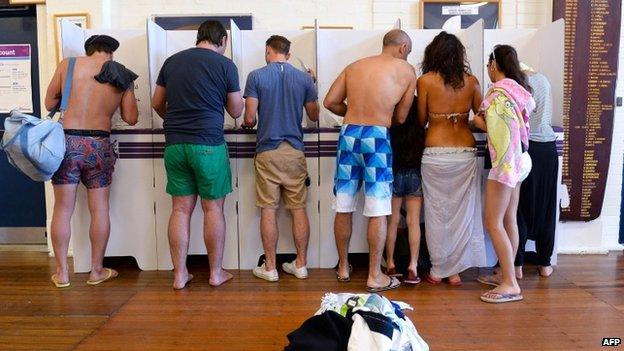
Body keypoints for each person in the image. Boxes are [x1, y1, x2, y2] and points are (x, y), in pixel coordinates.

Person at [151, 20, 244, 289]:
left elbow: (157, 103)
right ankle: (215, 273)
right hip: (208, 144)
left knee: (180, 210)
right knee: (212, 207)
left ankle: (180, 275)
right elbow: (237, 111)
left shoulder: (172, 61)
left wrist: (177, 121)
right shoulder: (225, 66)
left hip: (174, 145)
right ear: (223, 40)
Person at [324, 29, 417, 292]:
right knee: (377, 207)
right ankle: (375, 275)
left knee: (344, 204)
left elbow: (330, 102)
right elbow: (400, 118)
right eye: (407, 51)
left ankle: (343, 267)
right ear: (402, 48)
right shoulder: (406, 70)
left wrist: (352, 111)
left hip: (349, 133)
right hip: (377, 137)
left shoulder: (354, 66)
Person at [45, 34, 139, 288]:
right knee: (100, 209)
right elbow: (131, 118)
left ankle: (63, 273)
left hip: (67, 143)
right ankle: (96, 271)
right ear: (111, 53)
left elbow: (48, 102)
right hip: (99, 144)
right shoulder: (120, 73)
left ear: (89, 51)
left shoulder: (68, 64)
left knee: (62, 209)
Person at [242, 35, 320, 282]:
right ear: (288, 53)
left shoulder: (256, 76)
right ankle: (301, 265)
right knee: (298, 209)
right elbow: (314, 116)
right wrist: (313, 83)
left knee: (268, 209)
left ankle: (271, 268)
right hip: (295, 150)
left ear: (268, 51)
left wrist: (251, 121)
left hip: (268, 150)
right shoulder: (304, 78)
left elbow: (249, 119)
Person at [416, 31, 485, 286]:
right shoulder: (472, 81)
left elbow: (420, 120)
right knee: (461, 214)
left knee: (435, 214)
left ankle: (437, 270)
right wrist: (462, 118)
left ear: (433, 54)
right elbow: (483, 116)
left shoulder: (424, 82)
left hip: (434, 153)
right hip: (465, 153)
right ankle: (454, 272)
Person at [474, 45, 535, 303]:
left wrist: (477, 121)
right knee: (509, 218)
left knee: (493, 222)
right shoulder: (519, 91)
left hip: (505, 163)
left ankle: (509, 283)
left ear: (494, 65)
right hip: (521, 159)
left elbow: (496, 130)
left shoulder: (497, 93)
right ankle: (509, 272)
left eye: (489, 65)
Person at [385, 101, 425, 284]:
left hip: (395, 174)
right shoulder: (420, 129)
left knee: (392, 221)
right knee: (413, 222)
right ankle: (413, 267)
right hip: (414, 174)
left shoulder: (392, 125)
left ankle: (391, 264)